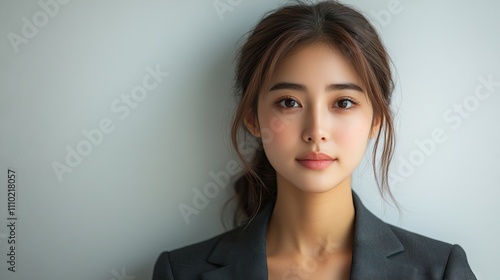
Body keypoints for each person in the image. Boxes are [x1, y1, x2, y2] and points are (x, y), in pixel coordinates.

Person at [153, 1, 477, 279]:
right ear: (252, 118)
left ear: (376, 119)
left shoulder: (439, 270)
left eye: (343, 103)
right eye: (289, 102)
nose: (316, 131)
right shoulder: (180, 272)